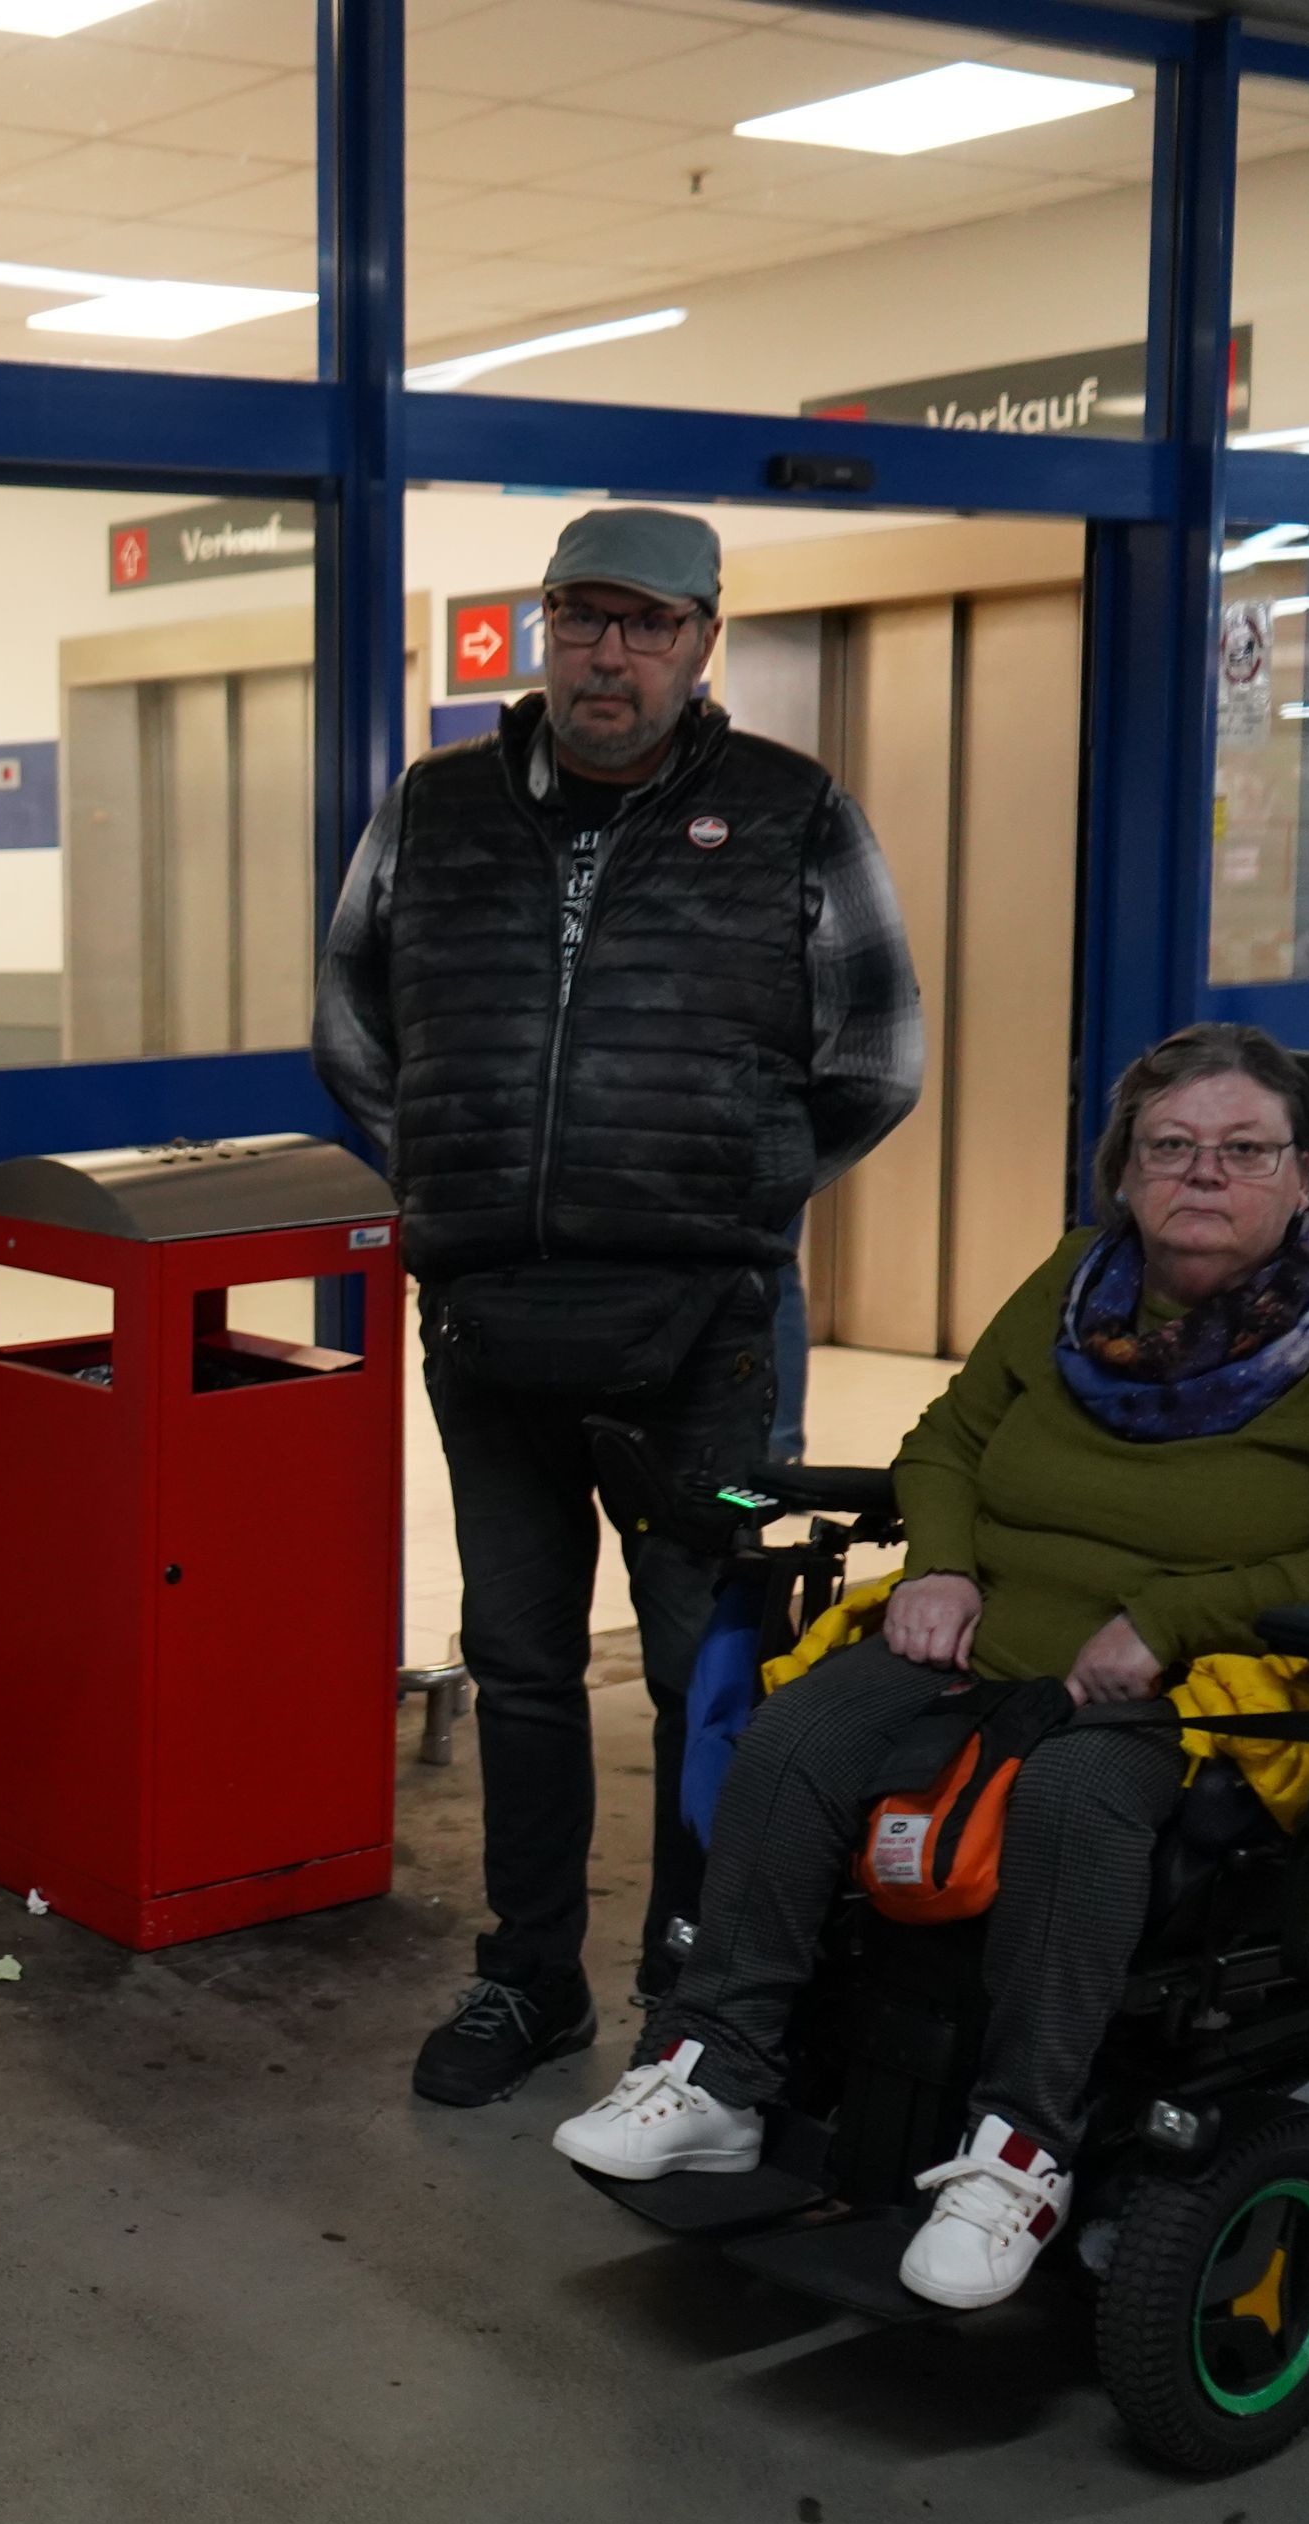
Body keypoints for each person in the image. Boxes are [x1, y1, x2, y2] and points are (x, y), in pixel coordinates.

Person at [553, 1025, 1309, 2307]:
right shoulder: (1076, 1283)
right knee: (800, 1734)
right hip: (995, 1628)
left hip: (1217, 1682)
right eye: (1169, 1148)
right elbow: (945, 1439)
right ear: (1123, 1171)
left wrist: (1179, 1620)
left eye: (1242, 1150)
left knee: (1074, 1802)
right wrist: (936, 1564)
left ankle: (1020, 2152)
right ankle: (719, 2066)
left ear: (1302, 1176)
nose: (1202, 1175)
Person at [314, 506, 924, 2107]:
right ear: (539, 629)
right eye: (583, 617)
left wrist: (733, 1189)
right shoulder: (434, 809)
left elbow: (878, 1053)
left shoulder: (793, 813)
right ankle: (528, 1980)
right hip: (491, 1326)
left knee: (698, 1665)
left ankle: (699, 1978)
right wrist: (469, 1178)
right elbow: (355, 1023)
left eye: (647, 624)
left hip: (701, 1337)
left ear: (702, 640)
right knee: (516, 1658)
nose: (610, 651)